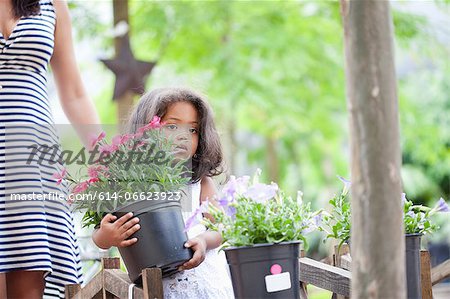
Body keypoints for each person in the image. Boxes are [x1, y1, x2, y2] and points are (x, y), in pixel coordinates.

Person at [92, 87, 235, 298]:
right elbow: (99, 235)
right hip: (157, 287)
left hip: (207, 284)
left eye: (192, 130)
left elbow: (221, 227)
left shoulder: (200, 183)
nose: (183, 137)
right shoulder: (128, 185)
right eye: (172, 126)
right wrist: (107, 236)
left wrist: (204, 240)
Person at [0, 0, 100, 298]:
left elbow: (74, 93)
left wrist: (106, 158)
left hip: (35, 159)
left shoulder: (52, 3)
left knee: (32, 268)